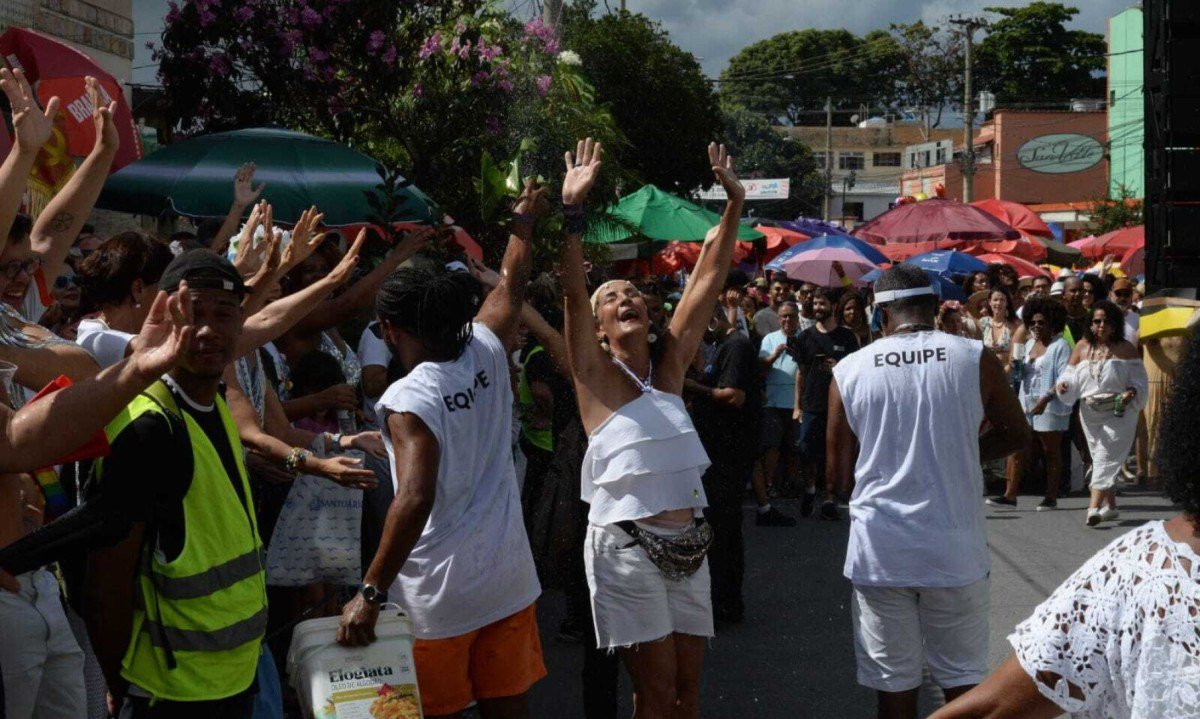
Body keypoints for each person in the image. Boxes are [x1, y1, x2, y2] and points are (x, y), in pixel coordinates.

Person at [337, 179, 549, 719]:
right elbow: (511, 284)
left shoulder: (409, 397)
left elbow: (414, 498)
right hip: (506, 579)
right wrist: (523, 218)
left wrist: (371, 592)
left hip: (439, 597)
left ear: (388, 329)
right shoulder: (484, 347)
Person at [557, 140, 742, 719]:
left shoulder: (669, 370)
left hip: (690, 547)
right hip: (626, 548)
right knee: (655, 693)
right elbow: (569, 293)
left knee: (688, 691)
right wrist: (571, 215)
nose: (625, 297)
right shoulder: (594, 378)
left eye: (631, 291)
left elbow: (709, 274)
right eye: (610, 297)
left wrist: (733, 204)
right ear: (600, 325)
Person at [931, 330, 1200, 719]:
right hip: (1080, 410)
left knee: (1097, 462)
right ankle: (1092, 501)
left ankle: (1090, 501)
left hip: (1098, 413)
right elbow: (995, 705)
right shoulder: (1142, 571)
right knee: (1096, 462)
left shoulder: (1110, 349)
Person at [826, 263, 1029, 719]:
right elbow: (1017, 434)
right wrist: (959, 454)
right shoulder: (974, 357)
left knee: (894, 688)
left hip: (880, 552)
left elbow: (836, 479)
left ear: (880, 317)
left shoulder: (848, 371)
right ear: (936, 309)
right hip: (954, 549)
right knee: (962, 686)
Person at [1055, 299, 1148, 526]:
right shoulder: (1082, 347)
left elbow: (1140, 381)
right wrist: (1064, 385)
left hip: (1119, 411)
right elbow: (1069, 375)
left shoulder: (1126, 348)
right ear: (1091, 323)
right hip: (1090, 411)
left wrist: (1132, 391)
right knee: (1100, 456)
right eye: (1097, 321)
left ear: (1115, 324)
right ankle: (1111, 506)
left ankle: (1093, 508)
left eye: (1106, 321)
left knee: (1105, 455)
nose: (1101, 325)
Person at [988, 297, 1072, 510]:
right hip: (1026, 403)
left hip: (1050, 405)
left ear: (1052, 323)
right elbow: (1021, 376)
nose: (1035, 326)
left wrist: (1046, 399)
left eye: (1041, 322)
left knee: (1050, 451)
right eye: (1032, 322)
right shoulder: (1028, 344)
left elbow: (1065, 378)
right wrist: (1016, 368)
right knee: (1016, 448)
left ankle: (1051, 496)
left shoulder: (1060, 346)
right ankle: (1009, 496)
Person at [791, 287, 860, 520]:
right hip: (811, 403)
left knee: (832, 452)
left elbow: (856, 372)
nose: (818, 308)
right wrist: (797, 406)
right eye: (815, 304)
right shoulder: (804, 337)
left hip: (839, 405)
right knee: (806, 449)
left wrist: (837, 367)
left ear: (833, 306)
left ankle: (829, 498)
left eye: (822, 304)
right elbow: (800, 373)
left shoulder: (847, 337)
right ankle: (810, 489)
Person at [756, 301, 804, 504]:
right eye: (783, 316)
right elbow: (761, 367)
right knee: (772, 446)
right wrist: (774, 355)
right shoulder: (769, 338)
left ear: (797, 318)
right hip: (773, 401)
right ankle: (769, 484)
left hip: (796, 401)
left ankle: (790, 483)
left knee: (794, 447)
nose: (787, 320)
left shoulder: (804, 338)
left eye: (791, 316)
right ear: (778, 318)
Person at [979, 287, 1021, 368]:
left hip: (1008, 373)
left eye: (1002, 300)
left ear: (1007, 303)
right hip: (987, 372)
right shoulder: (983, 323)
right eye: (995, 300)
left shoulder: (1015, 325)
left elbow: (1018, 355)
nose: (998, 303)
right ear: (989, 302)